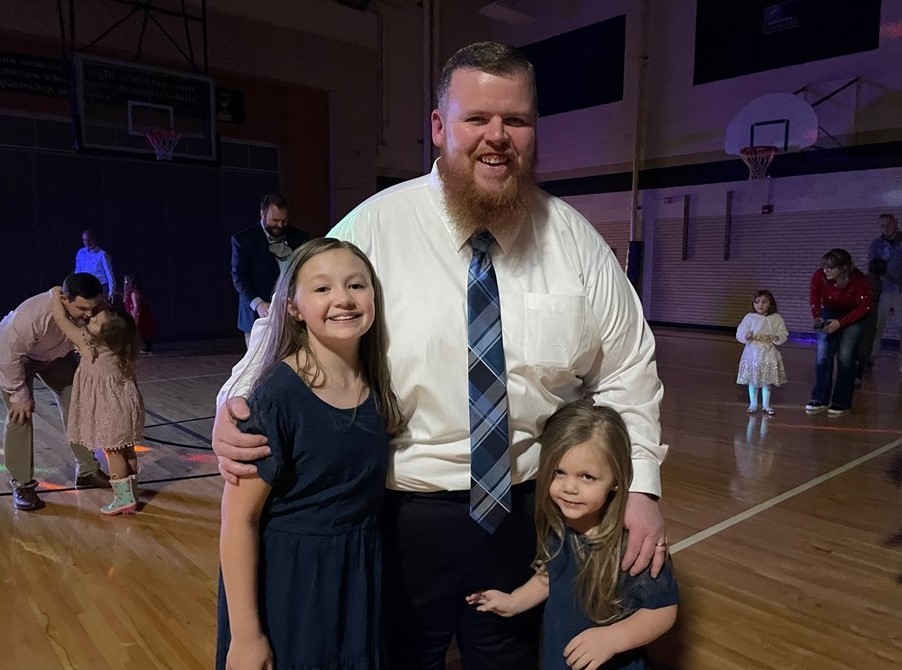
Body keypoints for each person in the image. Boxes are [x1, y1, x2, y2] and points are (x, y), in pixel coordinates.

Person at [213, 42, 669, 669]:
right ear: (437, 127)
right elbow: (285, 329)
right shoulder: (373, 227)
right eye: (476, 119)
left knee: (505, 658)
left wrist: (641, 487)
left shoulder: (575, 242)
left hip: (527, 505)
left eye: (515, 120)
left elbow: (627, 369)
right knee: (399, 656)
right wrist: (231, 407)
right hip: (400, 510)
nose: (497, 137)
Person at [216, 238, 405, 670]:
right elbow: (238, 519)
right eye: (322, 289)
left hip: (357, 574)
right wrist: (246, 636)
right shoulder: (276, 396)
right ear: (294, 307)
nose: (343, 298)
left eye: (356, 285)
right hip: (293, 583)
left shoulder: (375, 382)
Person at [466, 401, 678, 670]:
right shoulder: (559, 525)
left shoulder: (633, 544)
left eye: (587, 477)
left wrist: (612, 639)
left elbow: (662, 611)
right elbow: (550, 576)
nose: (569, 487)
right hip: (559, 658)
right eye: (559, 473)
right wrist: (513, 602)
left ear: (617, 479)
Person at [0, 273, 110, 511]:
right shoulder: (30, 317)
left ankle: (87, 470)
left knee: (76, 402)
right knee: (20, 417)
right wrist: (19, 395)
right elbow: (7, 354)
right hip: (16, 359)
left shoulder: (92, 310)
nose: (89, 314)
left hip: (56, 356)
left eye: (93, 308)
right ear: (64, 300)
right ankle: (23, 485)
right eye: (82, 308)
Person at [48, 291, 145, 515]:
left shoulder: (89, 344)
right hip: (128, 405)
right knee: (127, 449)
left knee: (113, 452)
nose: (89, 318)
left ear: (101, 333)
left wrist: (55, 297)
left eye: (94, 320)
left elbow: (62, 320)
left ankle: (123, 499)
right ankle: (131, 494)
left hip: (110, 407)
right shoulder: (122, 347)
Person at [230, 193, 310, 346]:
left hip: (292, 318)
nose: (280, 225)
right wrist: (258, 304)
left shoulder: (301, 238)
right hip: (257, 318)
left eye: (284, 220)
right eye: (275, 220)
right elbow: (239, 277)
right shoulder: (243, 240)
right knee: (260, 368)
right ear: (262, 214)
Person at [805, 249, 872, 417]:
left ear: (843, 268)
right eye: (824, 267)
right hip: (830, 311)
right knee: (823, 356)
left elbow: (865, 307)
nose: (825, 270)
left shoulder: (858, 280)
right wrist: (818, 317)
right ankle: (819, 398)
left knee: (845, 356)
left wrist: (841, 323)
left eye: (831, 267)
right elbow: (814, 297)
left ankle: (841, 401)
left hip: (854, 314)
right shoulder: (819, 276)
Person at [735, 290, 788, 416]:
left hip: (768, 352)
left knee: (766, 380)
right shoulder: (749, 317)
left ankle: (766, 405)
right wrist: (746, 336)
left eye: (764, 302)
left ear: (770, 303)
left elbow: (783, 333)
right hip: (753, 352)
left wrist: (776, 337)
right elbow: (740, 332)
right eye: (757, 302)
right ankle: (753, 404)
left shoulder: (776, 318)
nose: (760, 305)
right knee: (753, 380)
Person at [866, 213, 902, 370]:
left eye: (888, 224)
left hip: (901, 291)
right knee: (876, 327)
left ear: (895, 223)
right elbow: (871, 267)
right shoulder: (876, 245)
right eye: (882, 225)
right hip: (883, 291)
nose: (885, 228)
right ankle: (870, 359)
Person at [856, 257, 886, 384]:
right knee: (867, 341)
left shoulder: (866, 279)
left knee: (862, 341)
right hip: (870, 314)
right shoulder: (879, 283)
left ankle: (860, 365)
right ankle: (863, 364)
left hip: (863, 314)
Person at [75, 230, 116, 302]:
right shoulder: (81, 253)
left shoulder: (102, 255)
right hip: (85, 288)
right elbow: (78, 271)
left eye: (89, 239)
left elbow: (109, 274)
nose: (87, 242)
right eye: (85, 240)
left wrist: (111, 291)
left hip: (100, 287)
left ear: (94, 239)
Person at [123, 274, 156, 354]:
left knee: (138, 331)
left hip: (138, 315)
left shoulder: (133, 293)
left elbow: (136, 306)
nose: (125, 283)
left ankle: (136, 348)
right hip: (138, 314)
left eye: (127, 281)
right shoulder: (130, 293)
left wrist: (135, 316)